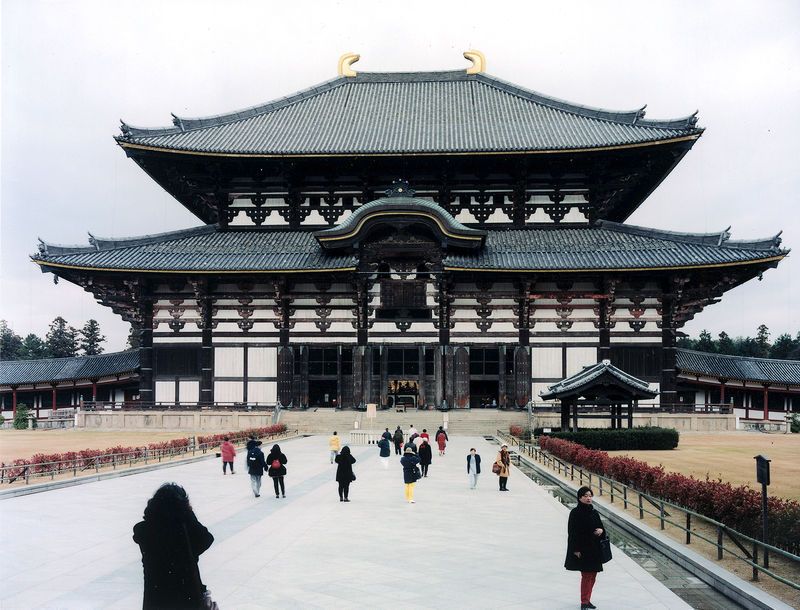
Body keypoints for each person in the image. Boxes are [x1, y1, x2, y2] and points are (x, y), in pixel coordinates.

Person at [133, 483, 214, 610]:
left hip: (156, 598)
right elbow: (206, 539)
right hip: (186, 596)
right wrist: (189, 514)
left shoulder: (143, 530)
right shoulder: (184, 531)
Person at [565, 486, 607, 610]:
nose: (589, 498)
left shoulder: (594, 512)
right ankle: (584, 601)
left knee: (593, 575)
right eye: (586, 496)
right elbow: (572, 532)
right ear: (580, 498)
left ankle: (588, 599)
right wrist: (575, 549)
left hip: (594, 549)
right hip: (583, 549)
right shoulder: (575, 513)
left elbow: (601, 527)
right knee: (586, 576)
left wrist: (601, 530)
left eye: (590, 496)